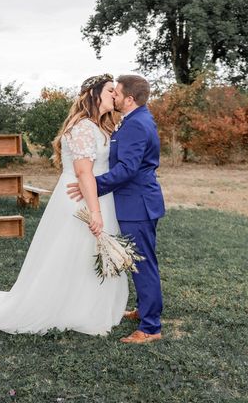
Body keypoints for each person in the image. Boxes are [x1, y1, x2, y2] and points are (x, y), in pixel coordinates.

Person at [0, 74, 128, 335]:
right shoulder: (85, 128)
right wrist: (95, 212)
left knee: (86, 256)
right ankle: (71, 308)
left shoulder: (99, 126)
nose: (114, 94)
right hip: (82, 199)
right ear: (94, 94)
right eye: (110, 90)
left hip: (96, 195)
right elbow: (84, 173)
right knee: (73, 254)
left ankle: (89, 305)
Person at [67, 74, 165, 344]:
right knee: (139, 261)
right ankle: (144, 311)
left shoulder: (136, 124)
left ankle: (150, 328)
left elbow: (127, 169)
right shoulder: (134, 119)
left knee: (143, 264)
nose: (114, 97)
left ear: (129, 99)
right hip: (136, 202)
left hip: (138, 204)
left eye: (117, 93)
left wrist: (94, 185)